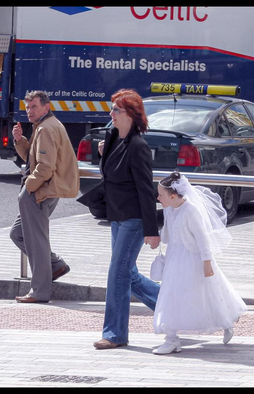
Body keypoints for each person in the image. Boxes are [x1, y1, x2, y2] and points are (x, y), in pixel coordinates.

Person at [88, 89, 160, 350]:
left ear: (130, 114)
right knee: (128, 275)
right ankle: (170, 303)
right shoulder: (113, 139)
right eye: (112, 109)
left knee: (117, 273)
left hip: (134, 219)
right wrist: (103, 153)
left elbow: (145, 190)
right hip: (117, 217)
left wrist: (152, 230)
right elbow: (110, 175)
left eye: (116, 110)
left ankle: (115, 333)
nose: (111, 114)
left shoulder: (139, 147)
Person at [151, 172, 248, 355]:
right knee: (171, 293)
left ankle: (227, 321)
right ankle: (171, 338)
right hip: (174, 258)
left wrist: (207, 262)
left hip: (193, 258)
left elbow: (203, 239)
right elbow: (168, 234)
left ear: (172, 196)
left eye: (161, 195)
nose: (157, 198)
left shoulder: (191, 211)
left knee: (209, 292)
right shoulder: (169, 208)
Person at [9, 90, 79, 303]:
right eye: (28, 107)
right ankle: (55, 266)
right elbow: (33, 159)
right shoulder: (44, 126)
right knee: (18, 234)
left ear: (46, 107)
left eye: (34, 107)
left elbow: (45, 168)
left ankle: (39, 291)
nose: (29, 112)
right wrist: (19, 141)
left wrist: (28, 187)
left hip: (40, 191)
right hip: (43, 189)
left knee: (36, 240)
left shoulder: (47, 129)